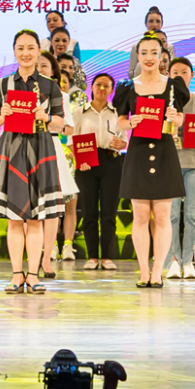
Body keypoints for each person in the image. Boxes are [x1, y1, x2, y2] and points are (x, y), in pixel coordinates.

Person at [0, 29, 65, 294]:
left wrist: (46, 116)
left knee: (36, 218)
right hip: (11, 148)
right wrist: (3, 115)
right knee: (13, 218)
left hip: (41, 148)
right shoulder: (2, 85)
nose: (26, 53)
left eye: (30, 48)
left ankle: (33, 274)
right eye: (20, 48)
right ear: (14, 52)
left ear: (38, 51)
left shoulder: (50, 85)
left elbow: (60, 123)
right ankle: (16, 274)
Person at [114, 33, 189, 287]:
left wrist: (176, 118)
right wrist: (130, 123)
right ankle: (143, 271)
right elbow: (121, 120)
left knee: (163, 215)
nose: (148, 58)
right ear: (137, 55)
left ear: (161, 55)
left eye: (154, 53)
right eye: (143, 53)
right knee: (141, 215)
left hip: (165, 151)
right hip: (137, 153)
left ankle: (158, 271)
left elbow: (180, 119)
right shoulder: (127, 86)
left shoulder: (173, 86)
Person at [72, 73, 125, 270]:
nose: (102, 88)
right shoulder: (79, 112)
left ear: (112, 90)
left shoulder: (118, 113)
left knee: (109, 213)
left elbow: (124, 140)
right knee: (89, 212)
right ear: (91, 87)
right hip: (86, 164)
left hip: (111, 162)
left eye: (106, 86)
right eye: (98, 85)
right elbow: (72, 140)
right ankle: (92, 257)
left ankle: (107, 257)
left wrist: (121, 144)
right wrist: (80, 160)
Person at [163, 58, 195, 280]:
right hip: (171, 163)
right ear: (168, 76)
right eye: (175, 72)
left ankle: (189, 261)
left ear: (192, 75)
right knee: (171, 215)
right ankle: (173, 260)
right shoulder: (165, 102)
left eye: (184, 72)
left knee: (192, 214)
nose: (179, 76)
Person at [35, 51, 76, 276]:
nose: (39, 69)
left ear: (53, 71)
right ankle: (33, 255)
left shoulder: (61, 96)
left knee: (51, 209)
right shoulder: (20, 93)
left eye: (44, 65)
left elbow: (68, 128)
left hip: (51, 146)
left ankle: (48, 257)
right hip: (26, 147)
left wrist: (50, 120)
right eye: (36, 65)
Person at [126, 7, 165, 77]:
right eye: (151, 21)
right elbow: (131, 72)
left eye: (158, 21)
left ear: (162, 24)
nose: (154, 25)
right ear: (145, 23)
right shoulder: (136, 47)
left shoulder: (168, 46)